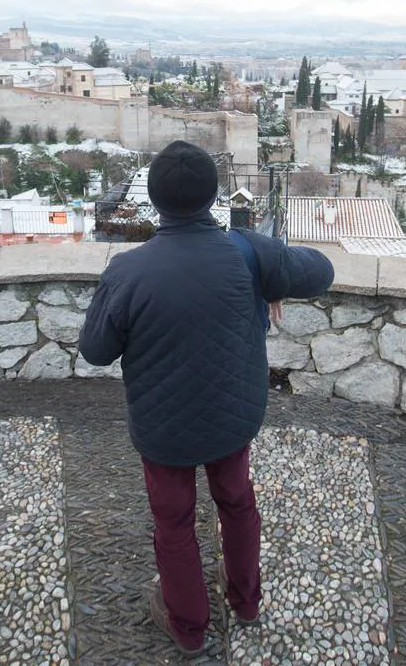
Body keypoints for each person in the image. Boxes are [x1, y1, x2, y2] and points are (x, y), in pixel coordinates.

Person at [79, 140, 335, 657]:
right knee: (237, 503)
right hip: (231, 414)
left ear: (154, 201)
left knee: (173, 522)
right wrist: (269, 276)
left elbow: (96, 351)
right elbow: (321, 272)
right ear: (213, 196)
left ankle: (189, 627)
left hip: (163, 427)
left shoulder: (128, 271)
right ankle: (245, 601)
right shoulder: (246, 250)